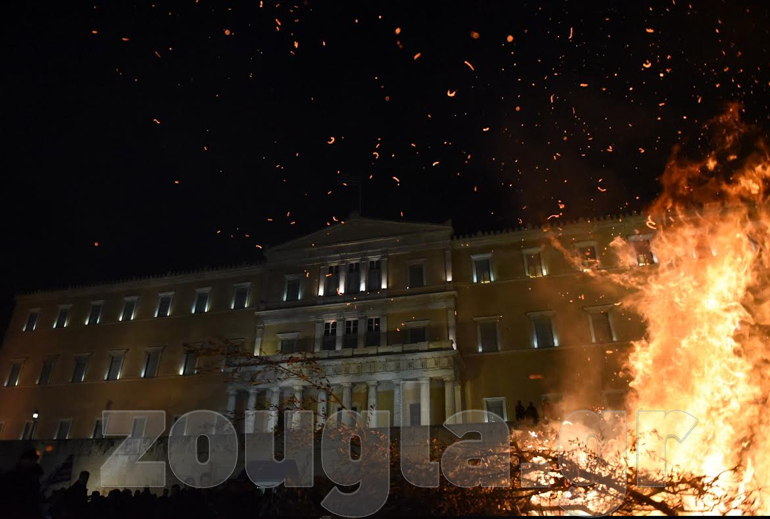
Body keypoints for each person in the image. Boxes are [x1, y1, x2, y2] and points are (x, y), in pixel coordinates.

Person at [0, 448, 44, 518]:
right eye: (31, 460)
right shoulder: (12, 476)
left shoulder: (31, 479)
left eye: (34, 460)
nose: (33, 462)